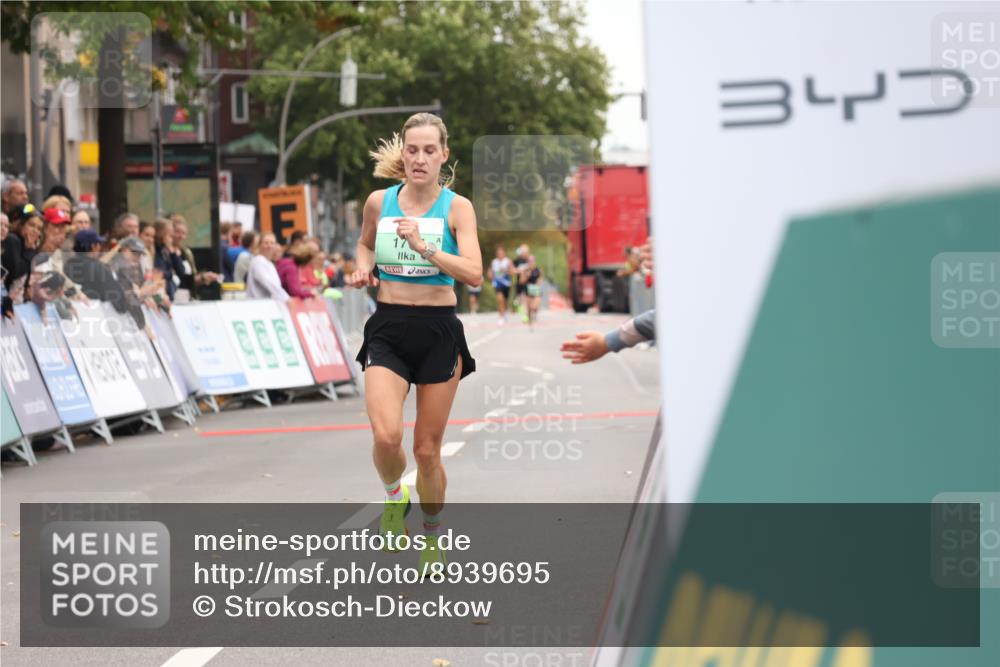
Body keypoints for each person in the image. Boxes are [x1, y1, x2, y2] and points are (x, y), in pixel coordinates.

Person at [346, 112, 482, 576]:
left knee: (426, 451)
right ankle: (393, 496)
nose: (419, 158)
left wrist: (426, 247)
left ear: (443, 155)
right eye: (412, 149)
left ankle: (432, 533)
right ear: (402, 152)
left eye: (429, 150)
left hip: (439, 330)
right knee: (386, 436)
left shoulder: (456, 207)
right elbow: (364, 245)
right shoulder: (379, 201)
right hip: (388, 325)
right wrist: (363, 267)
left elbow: (474, 273)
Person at [245, 233, 288, 302]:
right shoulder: (258, 261)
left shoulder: (270, 263)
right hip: (258, 305)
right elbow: (269, 283)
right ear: (260, 245)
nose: (269, 246)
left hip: (269, 305)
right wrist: (286, 298)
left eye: (272, 243)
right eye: (266, 243)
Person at [487, 245, 512, 326]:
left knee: (505, 301)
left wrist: (506, 270)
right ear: (496, 254)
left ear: (504, 253)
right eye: (498, 253)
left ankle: (504, 313)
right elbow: (490, 271)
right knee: (500, 300)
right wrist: (490, 275)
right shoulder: (494, 262)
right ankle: (501, 317)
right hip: (497, 283)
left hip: (506, 283)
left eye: (501, 253)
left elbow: (512, 271)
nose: (500, 254)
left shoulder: (508, 261)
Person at [523, 254, 543, 328]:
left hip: (536, 289)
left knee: (536, 303)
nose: (531, 263)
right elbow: (521, 281)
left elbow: (541, 278)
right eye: (529, 261)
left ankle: (535, 314)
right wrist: (526, 276)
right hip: (528, 289)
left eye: (532, 261)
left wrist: (539, 281)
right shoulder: (526, 270)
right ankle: (529, 318)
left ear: (535, 262)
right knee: (529, 307)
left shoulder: (538, 270)